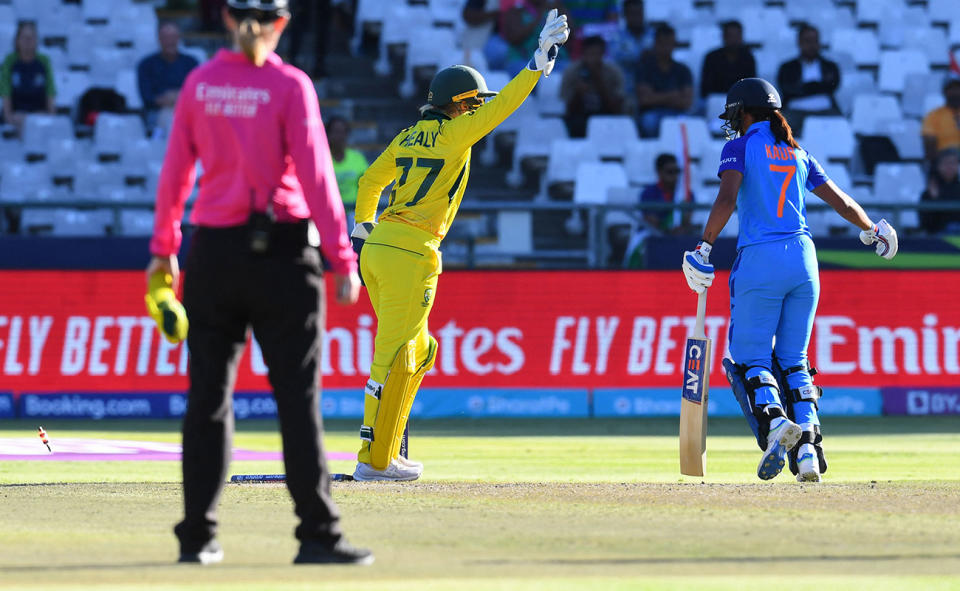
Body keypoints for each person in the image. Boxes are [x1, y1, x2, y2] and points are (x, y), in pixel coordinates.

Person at [147, 0, 371, 565]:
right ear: (282, 23)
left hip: (215, 254)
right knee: (298, 401)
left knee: (208, 402)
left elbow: (176, 174)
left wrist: (163, 253)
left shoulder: (199, 84)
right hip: (285, 253)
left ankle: (196, 538)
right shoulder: (291, 86)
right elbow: (319, 175)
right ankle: (316, 536)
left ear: (226, 18)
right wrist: (343, 259)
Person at [349, 10, 569, 481]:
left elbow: (370, 181)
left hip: (380, 247)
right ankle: (373, 461)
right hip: (412, 251)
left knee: (421, 349)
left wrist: (362, 228)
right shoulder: (455, 132)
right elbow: (503, 106)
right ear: (459, 104)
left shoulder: (406, 136)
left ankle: (387, 450)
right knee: (391, 355)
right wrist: (534, 65)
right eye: (472, 103)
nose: (476, 109)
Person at [681, 78, 898, 483]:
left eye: (734, 114)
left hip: (760, 260)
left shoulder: (740, 146)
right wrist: (873, 230)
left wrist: (704, 247)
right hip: (804, 261)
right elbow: (842, 201)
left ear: (746, 112)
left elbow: (726, 199)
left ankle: (776, 421)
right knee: (795, 361)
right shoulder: (798, 151)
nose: (732, 122)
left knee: (751, 358)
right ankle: (810, 452)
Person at [776, 24, 840, 133]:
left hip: (825, 110)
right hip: (795, 111)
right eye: (807, 41)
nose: (812, 45)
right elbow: (787, 89)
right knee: (780, 127)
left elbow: (832, 86)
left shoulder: (829, 66)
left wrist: (804, 88)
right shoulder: (787, 67)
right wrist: (817, 86)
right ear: (799, 43)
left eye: (815, 41)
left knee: (840, 124)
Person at [137, 22, 200, 134]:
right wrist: (167, 99)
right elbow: (147, 98)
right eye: (166, 37)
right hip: (157, 113)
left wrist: (178, 97)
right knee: (170, 117)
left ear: (178, 39)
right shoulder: (146, 65)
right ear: (159, 39)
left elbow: (198, 93)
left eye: (173, 37)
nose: (170, 41)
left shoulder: (191, 63)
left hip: (187, 110)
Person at [560, 35, 624, 137]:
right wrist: (578, 93)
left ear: (603, 54)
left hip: (606, 115)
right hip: (580, 116)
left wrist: (599, 82)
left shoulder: (613, 72)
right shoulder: (571, 72)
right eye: (590, 54)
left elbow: (617, 109)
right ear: (583, 54)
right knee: (574, 124)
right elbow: (568, 109)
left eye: (596, 54)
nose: (593, 58)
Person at [634, 24, 693, 138]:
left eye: (669, 44)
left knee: (689, 124)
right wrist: (673, 95)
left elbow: (686, 102)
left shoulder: (683, 70)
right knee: (648, 122)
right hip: (652, 113)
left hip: (677, 113)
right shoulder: (644, 68)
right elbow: (645, 100)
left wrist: (656, 97)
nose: (666, 47)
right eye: (662, 43)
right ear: (655, 44)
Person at [0, 21, 56, 131]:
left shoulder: (44, 61)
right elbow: (5, 95)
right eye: (25, 38)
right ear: (17, 41)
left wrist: (50, 117)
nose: (28, 42)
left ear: (36, 41)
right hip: (16, 115)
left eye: (31, 38)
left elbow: (50, 93)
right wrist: (10, 118)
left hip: (39, 115)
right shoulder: (9, 62)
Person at [700, 21, 756, 99]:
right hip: (716, 100)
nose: (734, 40)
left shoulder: (748, 58)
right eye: (730, 36)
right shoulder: (711, 57)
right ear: (723, 37)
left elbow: (751, 86)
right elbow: (706, 89)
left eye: (737, 36)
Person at [640, 153, 693, 235]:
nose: (675, 176)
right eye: (670, 172)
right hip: (655, 238)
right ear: (659, 172)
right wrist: (670, 231)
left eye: (677, 171)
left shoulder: (687, 195)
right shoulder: (649, 193)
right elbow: (651, 222)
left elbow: (686, 222)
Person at [609, 0, 652, 97]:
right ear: (624, 15)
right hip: (625, 90)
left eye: (639, 13)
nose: (637, 17)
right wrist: (641, 56)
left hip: (651, 91)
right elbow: (617, 59)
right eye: (633, 13)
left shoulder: (654, 35)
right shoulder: (616, 37)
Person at [326, 116, 369, 212]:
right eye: (336, 132)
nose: (339, 136)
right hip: (327, 213)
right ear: (328, 134)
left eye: (343, 132)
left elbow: (367, 187)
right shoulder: (321, 159)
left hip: (354, 213)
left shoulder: (358, 159)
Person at [921, 78, 960, 166]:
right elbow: (928, 140)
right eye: (951, 89)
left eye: (958, 89)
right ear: (944, 92)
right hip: (943, 160)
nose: (955, 92)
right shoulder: (934, 115)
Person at [920, 148, 960, 234]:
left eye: (953, 163)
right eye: (946, 163)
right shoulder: (928, 193)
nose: (949, 167)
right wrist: (934, 199)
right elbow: (926, 224)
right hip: (938, 242)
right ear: (938, 166)